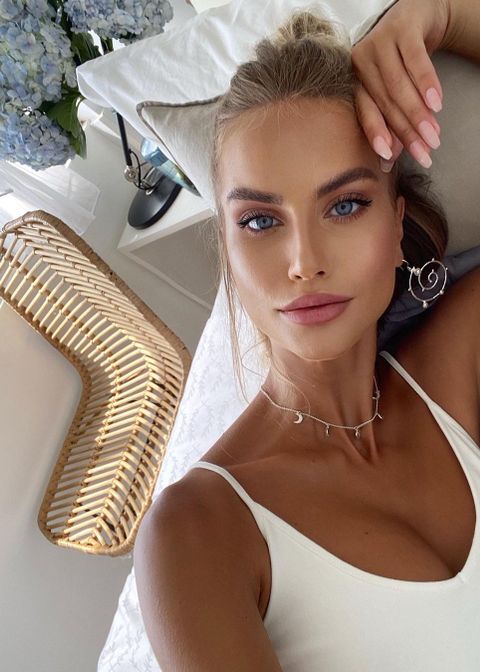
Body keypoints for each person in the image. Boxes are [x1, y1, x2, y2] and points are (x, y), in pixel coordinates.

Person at [134, 1, 480, 669]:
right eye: (261, 222)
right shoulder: (201, 532)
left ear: (397, 223)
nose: (304, 262)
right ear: (228, 251)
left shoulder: (456, 362)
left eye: (345, 205)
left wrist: (440, 13)